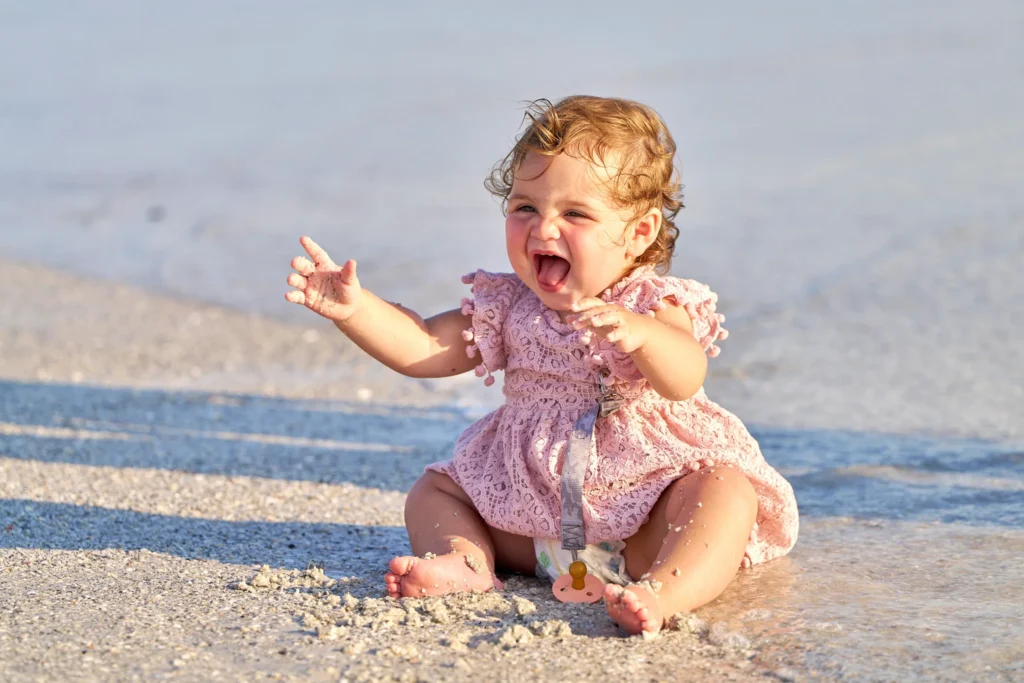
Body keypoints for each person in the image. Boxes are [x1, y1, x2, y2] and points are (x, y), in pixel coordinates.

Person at [285, 95, 798, 635]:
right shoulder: (507, 306)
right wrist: (355, 309)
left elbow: (685, 374)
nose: (543, 228)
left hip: (640, 522)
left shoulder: (650, 302)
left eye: (574, 213)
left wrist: (641, 335)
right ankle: (467, 561)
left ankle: (665, 590)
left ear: (640, 232)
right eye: (525, 207)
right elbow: (424, 345)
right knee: (434, 492)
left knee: (724, 490)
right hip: (527, 524)